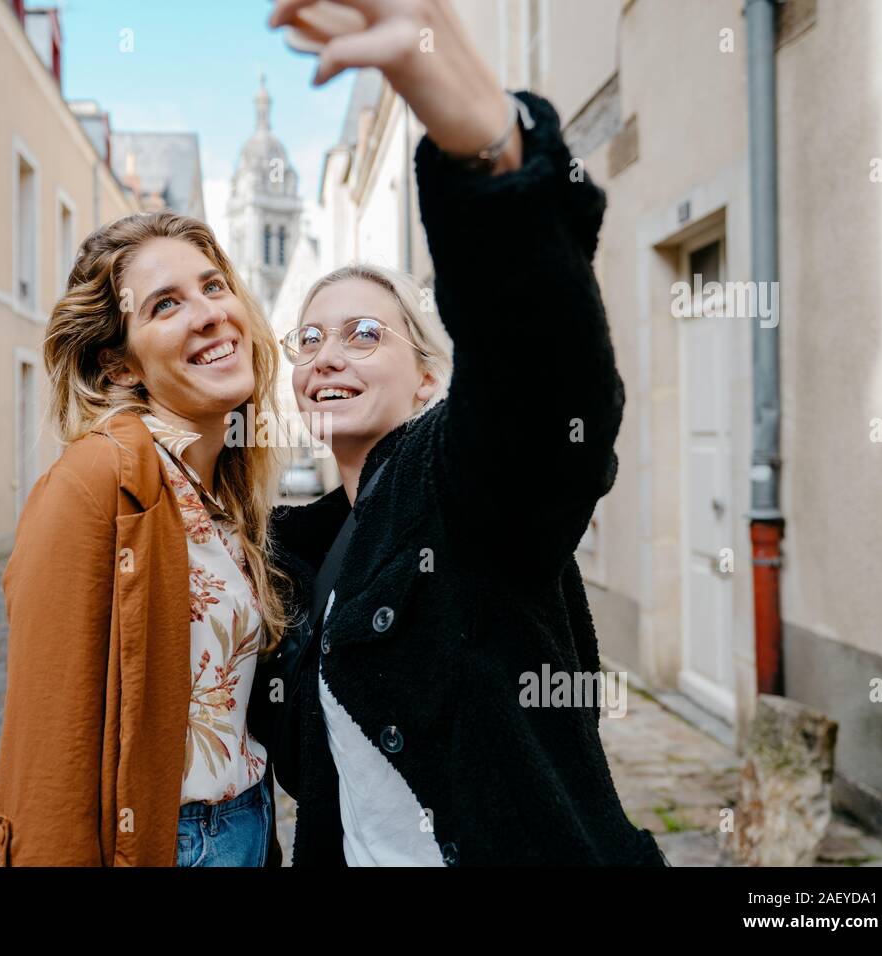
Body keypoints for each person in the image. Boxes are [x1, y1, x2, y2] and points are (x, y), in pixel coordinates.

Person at [257, 0, 670, 865]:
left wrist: (490, 155)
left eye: (366, 333)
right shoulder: (299, 558)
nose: (330, 354)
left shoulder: (457, 488)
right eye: (311, 337)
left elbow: (548, 392)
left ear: (430, 377)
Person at [0, 211, 287, 866]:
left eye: (213, 286)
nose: (210, 314)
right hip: (172, 846)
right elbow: (46, 757)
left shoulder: (225, 498)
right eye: (166, 305)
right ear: (120, 366)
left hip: (250, 829)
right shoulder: (93, 483)